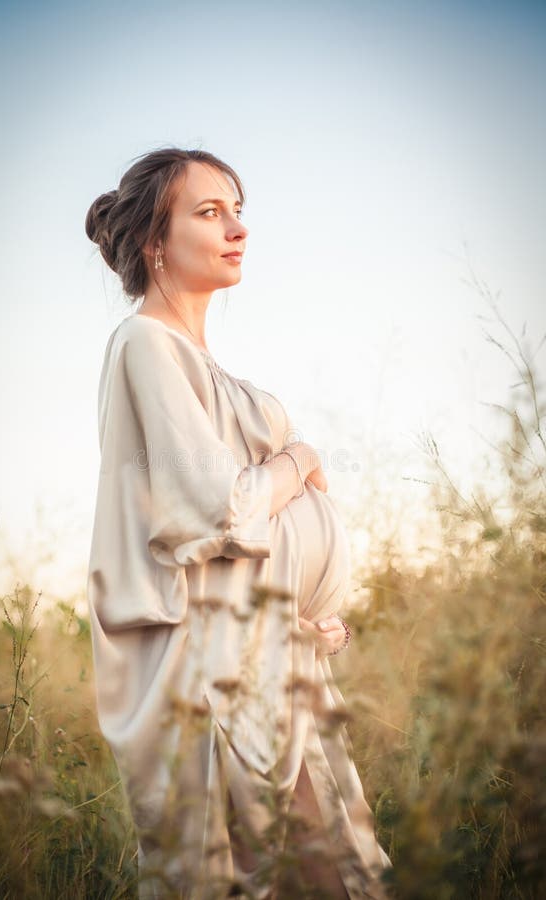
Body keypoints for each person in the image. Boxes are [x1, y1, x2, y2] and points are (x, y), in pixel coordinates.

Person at [85, 147, 392, 899]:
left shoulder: (209, 365)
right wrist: (301, 458)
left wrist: (315, 621)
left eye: (238, 210)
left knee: (333, 870)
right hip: (209, 675)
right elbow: (219, 513)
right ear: (156, 242)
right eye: (209, 211)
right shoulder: (145, 345)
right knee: (251, 874)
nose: (238, 228)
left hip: (274, 657)